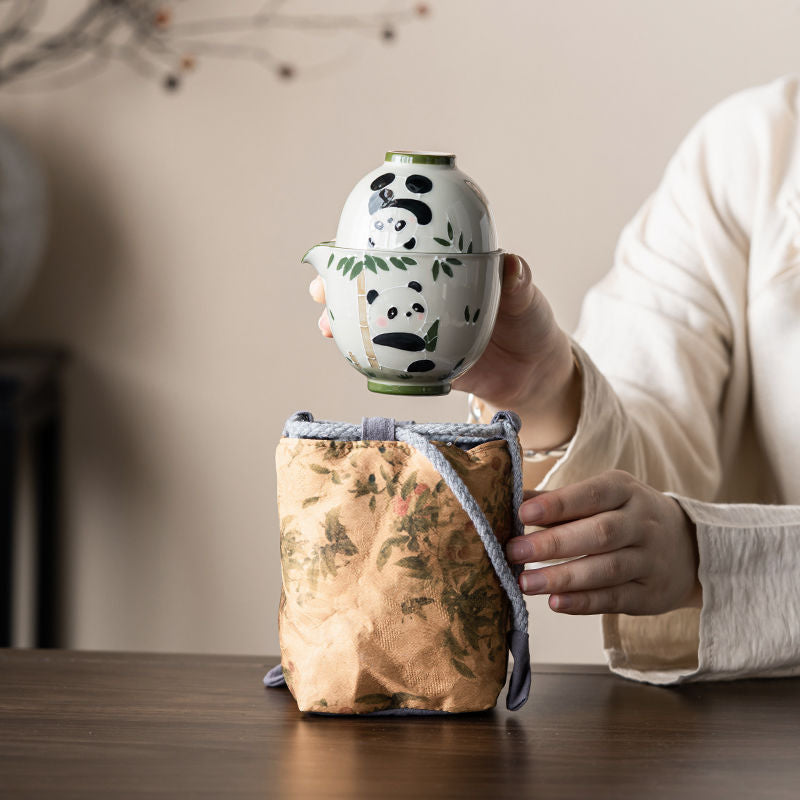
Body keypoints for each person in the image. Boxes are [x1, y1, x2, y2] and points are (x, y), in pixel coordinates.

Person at [309, 74, 800, 685]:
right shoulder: (757, 145)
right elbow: (655, 482)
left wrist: (718, 557)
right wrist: (544, 392)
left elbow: (691, 539)